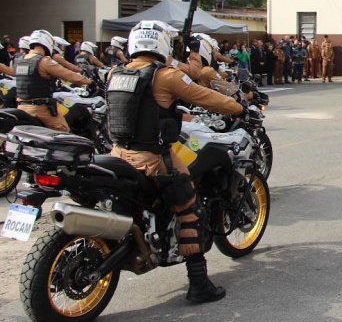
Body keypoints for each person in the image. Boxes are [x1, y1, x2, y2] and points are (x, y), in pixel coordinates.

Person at [107, 20, 243, 303]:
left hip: (118, 155)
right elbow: (204, 96)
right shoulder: (165, 76)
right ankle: (199, 284)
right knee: (190, 208)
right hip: (152, 159)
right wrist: (238, 105)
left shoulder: (115, 73)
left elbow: (142, 110)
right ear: (161, 44)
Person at [15, 30, 91, 132]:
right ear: (46, 43)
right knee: (64, 132)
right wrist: (88, 82)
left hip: (21, 107)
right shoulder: (43, 61)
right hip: (40, 109)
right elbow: (68, 75)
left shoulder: (19, 61)